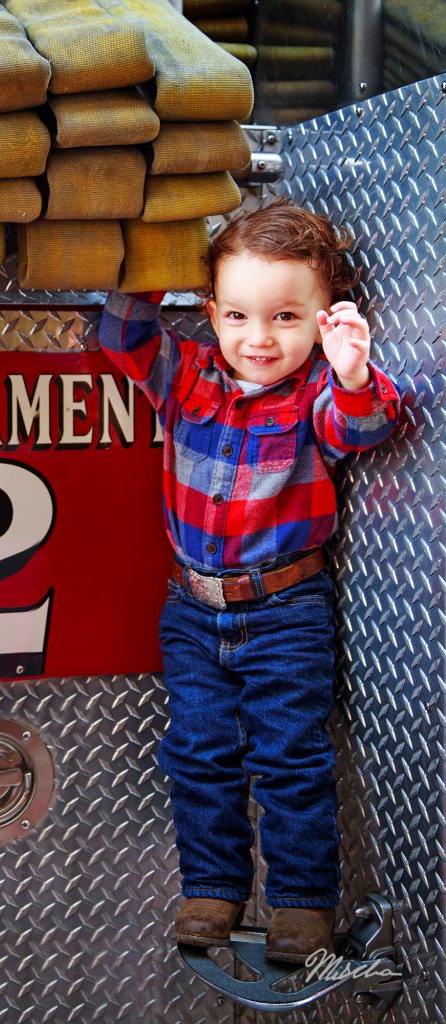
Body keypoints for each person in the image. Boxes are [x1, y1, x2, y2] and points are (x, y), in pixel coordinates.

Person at [97, 198, 402, 963]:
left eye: (285, 319)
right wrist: (156, 255)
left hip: (287, 609)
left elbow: (363, 427)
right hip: (193, 610)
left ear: (323, 318)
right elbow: (122, 336)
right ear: (211, 312)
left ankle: (302, 903)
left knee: (290, 756)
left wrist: (353, 369)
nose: (258, 339)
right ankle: (212, 890)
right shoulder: (188, 374)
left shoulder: (317, 395)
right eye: (236, 316)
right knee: (197, 752)